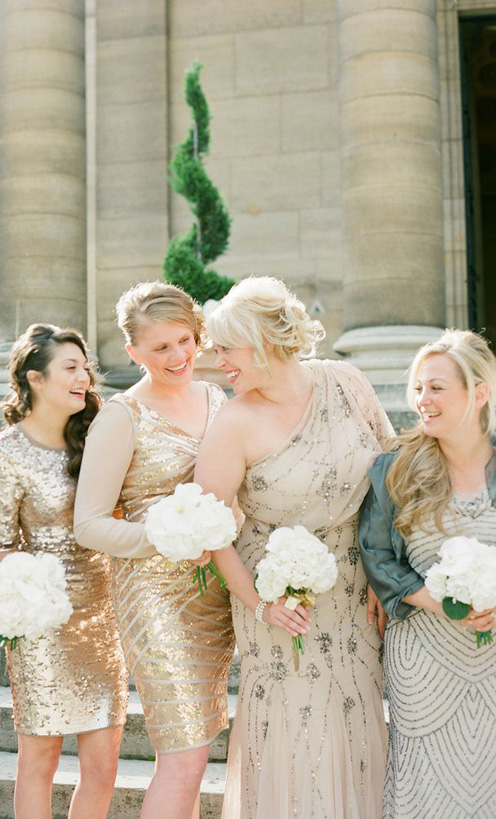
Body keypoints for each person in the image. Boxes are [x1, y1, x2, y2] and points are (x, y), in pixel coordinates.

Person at [194, 276, 393, 819]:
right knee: (296, 731)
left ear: (262, 343)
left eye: (225, 348)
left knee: (352, 722)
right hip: (277, 602)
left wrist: (386, 575)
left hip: (355, 593)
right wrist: (261, 605)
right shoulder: (233, 422)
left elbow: (390, 476)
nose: (215, 360)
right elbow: (210, 531)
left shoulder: (348, 382)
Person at [74, 282, 236, 819]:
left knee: (199, 745)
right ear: (134, 352)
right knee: (185, 756)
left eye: (185, 340)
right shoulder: (121, 418)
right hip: (155, 599)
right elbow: (89, 525)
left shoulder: (217, 398)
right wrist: (167, 538)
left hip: (218, 591)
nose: (179, 356)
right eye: (161, 346)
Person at [0, 324, 127, 819]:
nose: (83, 377)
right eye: (70, 368)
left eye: (84, 367)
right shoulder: (5, 451)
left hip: (103, 613)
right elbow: (1, 548)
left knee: (104, 763)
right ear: (34, 379)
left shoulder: (99, 432)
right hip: (41, 620)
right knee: (40, 758)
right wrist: (18, 612)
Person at [359, 329, 496, 819]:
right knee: (425, 787)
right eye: (418, 387)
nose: (422, 400)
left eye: (436, 387)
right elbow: (376, 554)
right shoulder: (395, 467)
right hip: (424, 656)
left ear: (479, 392)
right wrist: (436, 602)